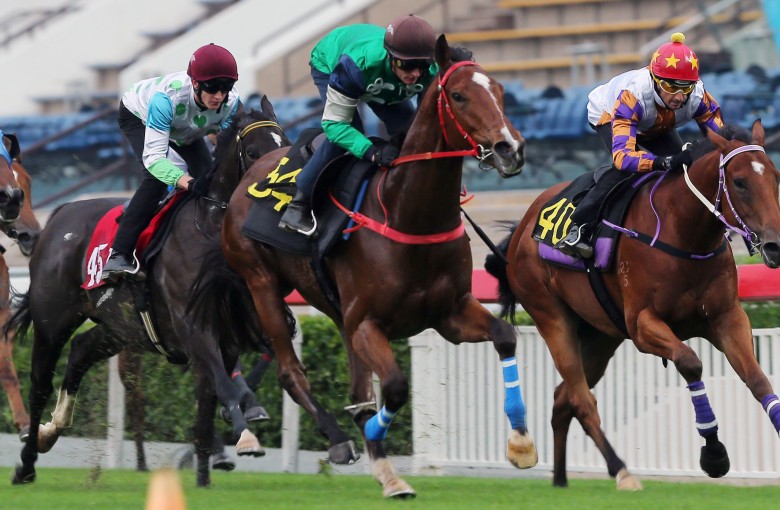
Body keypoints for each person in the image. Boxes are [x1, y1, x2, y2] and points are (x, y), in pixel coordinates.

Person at [556, 32, 724, 259]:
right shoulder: (633, 95)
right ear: (655, 80)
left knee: (684, 169)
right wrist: (661, 162)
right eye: (670, 86)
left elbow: (723, 142)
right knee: (626, 172)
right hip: (608, 113)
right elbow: (623, 158)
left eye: (685, 88)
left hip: (655, 121)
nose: (679, 97)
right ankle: (578, 228)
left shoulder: (698, 95)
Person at [278, 14, 438, 236]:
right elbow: (335, 127)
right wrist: (372, 152)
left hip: (381, 77)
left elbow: (427, 122)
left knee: (411, 133)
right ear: (391, 57)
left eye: (422, 66)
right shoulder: (354, 66)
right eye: (408, 65)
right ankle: (298, 204)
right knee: (349, 137)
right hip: (332, 61)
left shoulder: (430, 70)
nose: (415, 74)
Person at [102, 43, 241, 280]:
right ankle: (118, 254)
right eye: (213, 88)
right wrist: (187, 182)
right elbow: (155, 160)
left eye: (226, 88)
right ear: (195, 83)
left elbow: (227, 147)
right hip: (140, 116)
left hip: (186, 128)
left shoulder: (231, 102)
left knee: (213, 182)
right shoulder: (164, 100)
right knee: (155, 180)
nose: (219, 96)